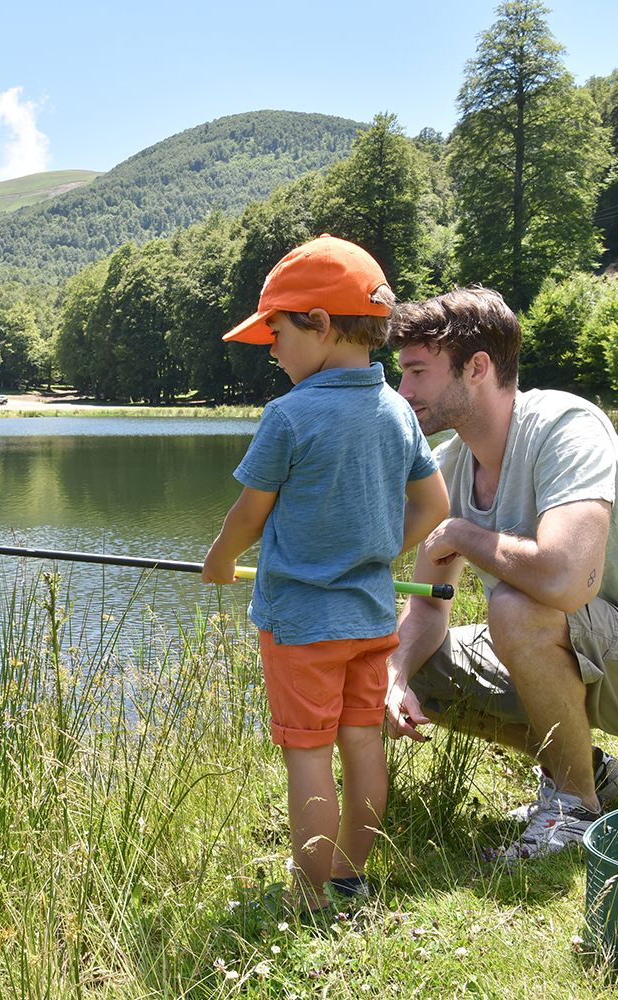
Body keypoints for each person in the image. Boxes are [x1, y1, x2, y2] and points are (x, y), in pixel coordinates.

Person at [384, 287, 618, 859]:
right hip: (594, 657)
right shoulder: (449, 465)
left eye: (418, 372)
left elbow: (567, 582)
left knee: (516, 607)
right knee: (416, 658)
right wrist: (395, 673)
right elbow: (427, 605)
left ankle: (572, 811)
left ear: (477, 367)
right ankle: (590, 770)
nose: (405, 390)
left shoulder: (566, 427)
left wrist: (466, 534)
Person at [203, 235, 450, 909]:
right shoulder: (398, 412)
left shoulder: (289, 416)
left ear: (318, 322)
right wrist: (373, 554)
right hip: (371, 619)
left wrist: (221, 561)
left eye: (277, 333)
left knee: (309, 758)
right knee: (363, 745)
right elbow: (435, 505)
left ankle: (313, 897)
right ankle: (349, 876)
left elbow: (250, 516)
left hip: (301, 626)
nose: (272, 349)